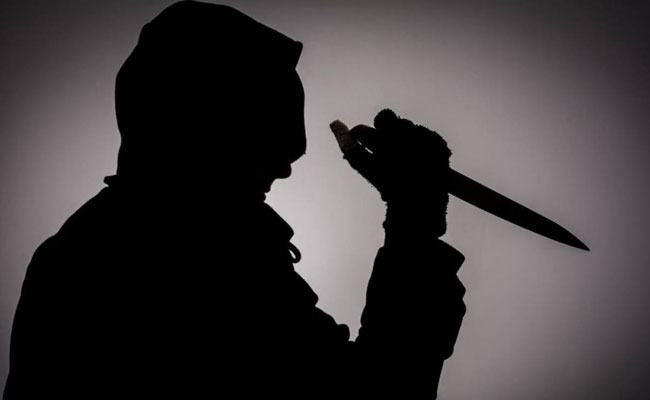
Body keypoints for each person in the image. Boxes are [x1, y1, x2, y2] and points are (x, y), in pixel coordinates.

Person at [4, 1, 466, 398]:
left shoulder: (84, 249)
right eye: (268, 145)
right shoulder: (200, 261)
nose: (284, 169)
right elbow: (374, 391)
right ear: (203, 125)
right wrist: (414, 221)